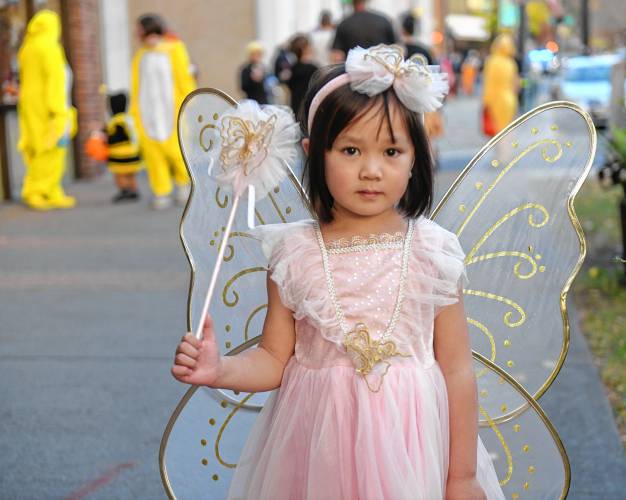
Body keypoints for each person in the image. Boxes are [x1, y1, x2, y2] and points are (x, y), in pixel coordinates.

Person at [172, 45, 505, 499]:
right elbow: (273, 360)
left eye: (391, 150)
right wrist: (219, 368)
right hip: (316, 451)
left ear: (416, 156)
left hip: (414, 450)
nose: (371, 170)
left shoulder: (433, 253)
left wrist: (461, 476)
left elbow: (457, 370)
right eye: (350, 150)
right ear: (314, 152)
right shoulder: (294, 254)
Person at [130, 14, 195, 209]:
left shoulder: (174, 49)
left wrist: (189, 101)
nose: (136, 32)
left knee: (176, 150)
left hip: (171, 109)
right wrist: (134, 112)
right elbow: (136, 85)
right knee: (153, 153)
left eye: (138, 28)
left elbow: (184, 77)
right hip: (147, 111)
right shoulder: (141, 54)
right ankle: (161, 191)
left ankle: (183, 184)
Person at [16, 9, 77, 210]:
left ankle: (50, 191)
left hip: (30, 106)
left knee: (37, 148)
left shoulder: (27, 48)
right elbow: (55, 80)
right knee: (52, 150)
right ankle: (38, 190)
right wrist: (58, 110)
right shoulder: (49, 48)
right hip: (51, 109)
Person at [101, 92, 142, 203]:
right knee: (131, 175)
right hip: (133, 155)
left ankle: (124, 190)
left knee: (120, 175)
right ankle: (134, 189)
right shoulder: (129, 120)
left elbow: (115, 138)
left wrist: (106, 138)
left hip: (119, 157)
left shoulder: (115, 122)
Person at [331, 0, 397, 62]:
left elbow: (337, 56)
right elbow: (395, 48)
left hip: (355, 71)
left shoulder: (344, 24)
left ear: (352, 2)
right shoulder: (384, 20)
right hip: (383, 69)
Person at [482, 34, 519, 137]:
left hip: (493, 100)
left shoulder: (491, 61)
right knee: (507, 133)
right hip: (509, 100)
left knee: (495, 132)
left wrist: (485, 102)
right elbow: (516, 85)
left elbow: (487, 83)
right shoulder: (511, 63)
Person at [286, 34, 318, 117]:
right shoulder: (312, 68)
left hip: (296, 104)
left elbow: (289, 85)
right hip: (309, 105)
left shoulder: (293, 67)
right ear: (304, 49)